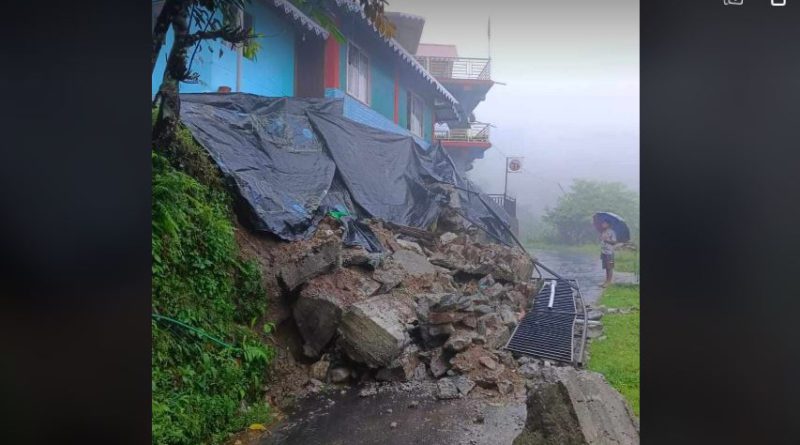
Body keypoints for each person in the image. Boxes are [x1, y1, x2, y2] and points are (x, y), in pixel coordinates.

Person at [599, 220, 624, 287]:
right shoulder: (603, 232)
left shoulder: (612, 232)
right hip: (604, 252)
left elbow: (614, 242)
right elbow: (602, 240)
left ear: (608, 224)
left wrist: (606, 240)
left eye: (604, 223)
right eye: (602, 223)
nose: (602, 224)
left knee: (610, 267)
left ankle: (609, 282)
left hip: (610, 252)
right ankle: (606, 281)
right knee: (606, 267)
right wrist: (601, 238)